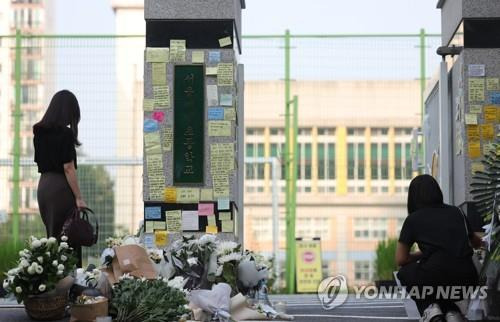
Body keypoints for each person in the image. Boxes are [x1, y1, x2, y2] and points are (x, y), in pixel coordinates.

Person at [396, 174, 482, 322]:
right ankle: (452, 312)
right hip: (467, 279)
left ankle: (430, 310)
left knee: (406, 272)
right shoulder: (457, 212)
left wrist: (423, 254)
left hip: (434, 277)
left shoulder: (413, 219)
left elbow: (401, 259)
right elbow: (476, 243)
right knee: (440, 281)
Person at [34, 90, 87, 265]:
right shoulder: (65, 134)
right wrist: (79, 197)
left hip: (44, 187)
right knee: (69, 236)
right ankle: (71, 283)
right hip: (60, 188)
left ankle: (54, 282)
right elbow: (68, 168)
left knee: (53, 237)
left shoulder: (39, 132)